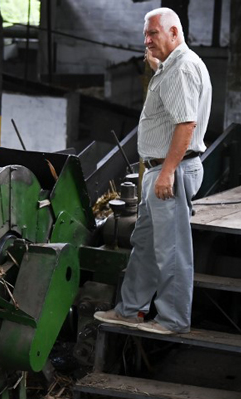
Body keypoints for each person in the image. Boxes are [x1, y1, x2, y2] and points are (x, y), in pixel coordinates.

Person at [95, 7, 211, 335]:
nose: (147, 40)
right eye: (145, 34)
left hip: (171, 170)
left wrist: (166, 172)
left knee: (171, 249)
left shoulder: (181, 69)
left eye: (154, 33)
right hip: (160, 170)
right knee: (145, 243)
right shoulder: (173, 66)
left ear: (174, 33)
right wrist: (159, 68)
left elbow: (186, 125)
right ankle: (129, 309)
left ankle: (173, 319)